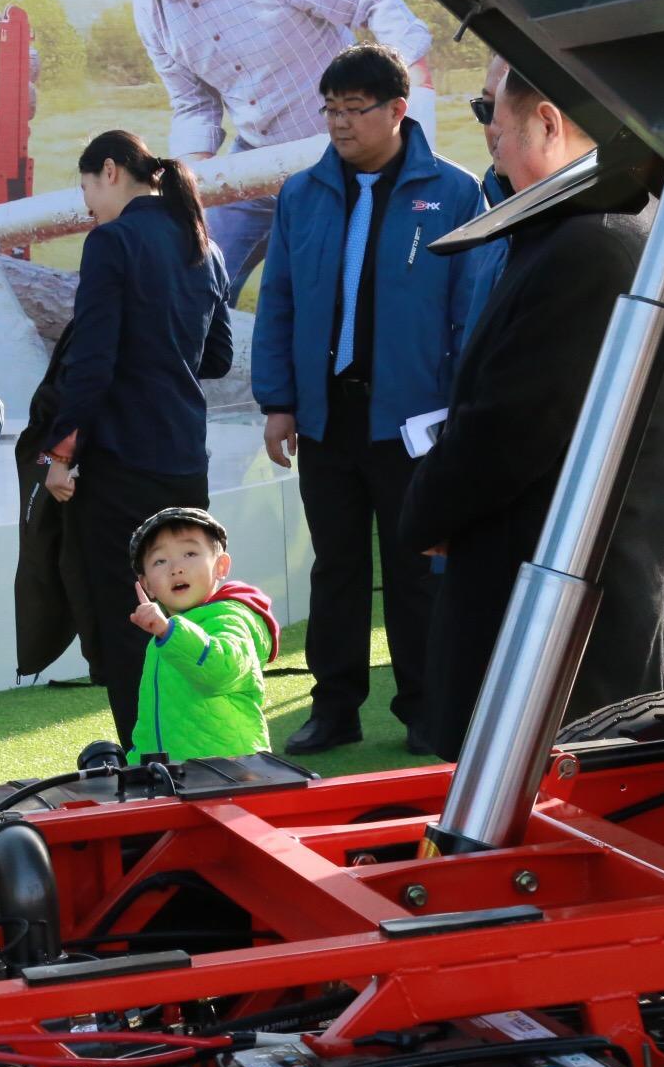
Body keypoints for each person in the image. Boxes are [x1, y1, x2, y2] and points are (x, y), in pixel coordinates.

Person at [399, 69, 664, 758]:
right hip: (571, 595)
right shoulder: (623, 224)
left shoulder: (592, 243)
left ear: (545, 119)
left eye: (489, 114)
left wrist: (429, 511)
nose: (488, 139)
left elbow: (511, 426)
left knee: (532, 827)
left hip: (548, 614)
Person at [250, 43, 489, 756]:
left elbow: (468, 311)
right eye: (330, 109)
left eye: (355, 110)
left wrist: (458, 416)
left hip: (415, 424)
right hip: (327, 418)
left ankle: (425, 707)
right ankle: (334, 707)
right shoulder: (301, 194)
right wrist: (279, 402)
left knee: (419, 570)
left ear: (397, 111)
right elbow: (279, 303)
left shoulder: (452, 192)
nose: (340, 125)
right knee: (337, 568)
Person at [31, 130, 234, 744]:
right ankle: (199, 751)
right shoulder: (203, 244)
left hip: (119, 463)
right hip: (183, 457)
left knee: (130, 619)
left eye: (87, 187)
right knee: (189, 609)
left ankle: (146, 758)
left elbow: (92, 361)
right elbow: (218, 356)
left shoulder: (112, 241)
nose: (87, 203)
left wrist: (62, 450)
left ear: (110, 171)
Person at [111, 0, 435, 296]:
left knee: (348, 293)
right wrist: (190, 182)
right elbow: (194, 104)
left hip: (346, 158)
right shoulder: (149, 11)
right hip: (255, 160)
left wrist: (413, 100)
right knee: (187, 274)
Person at [124, 507, 280, 761]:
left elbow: (220, 670)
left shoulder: (231, 616)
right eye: (160, 561)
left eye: (190, 553)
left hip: (232, 772)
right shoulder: (164, 635)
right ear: (147, 585)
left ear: (221, 566)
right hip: (180, 776)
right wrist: (137, 763)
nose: (176, 568)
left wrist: (168, 631)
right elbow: (153, 719)